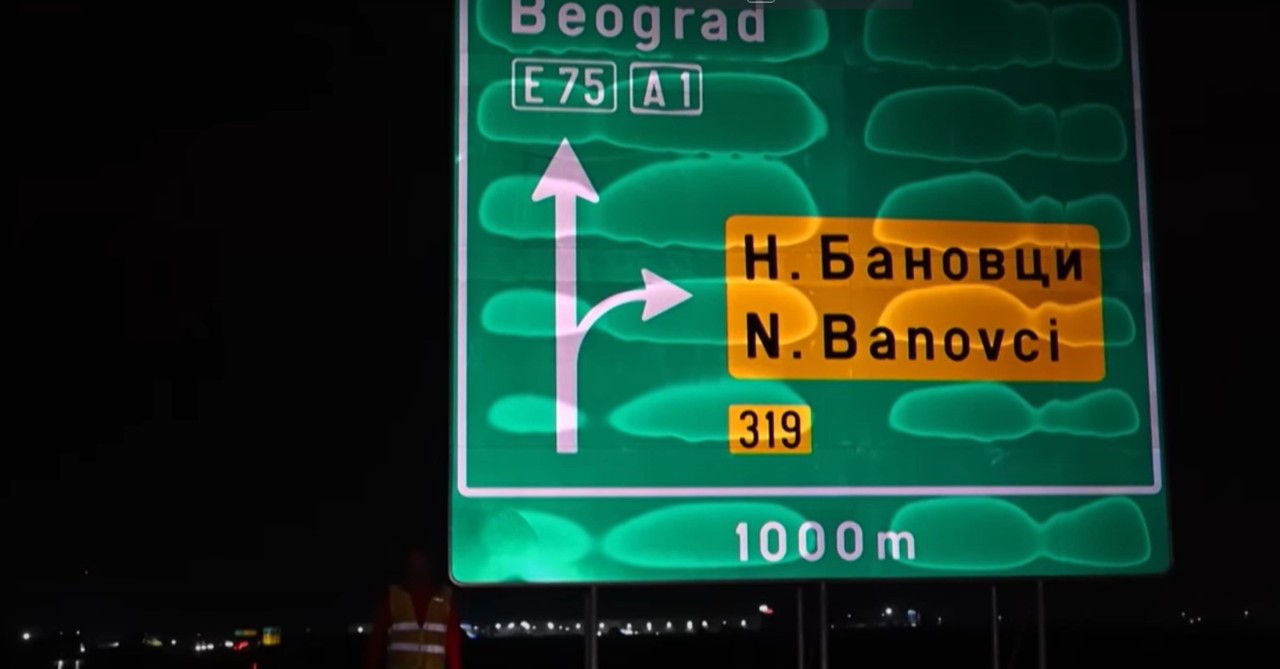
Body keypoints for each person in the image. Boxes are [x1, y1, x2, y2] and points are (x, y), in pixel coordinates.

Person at [363, 548, 462, 669]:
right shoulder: (393, 599)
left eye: (421, 558)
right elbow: (376, 644)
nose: (418, 564)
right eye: (414, 559)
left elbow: (453, 645)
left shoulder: (445, 600)